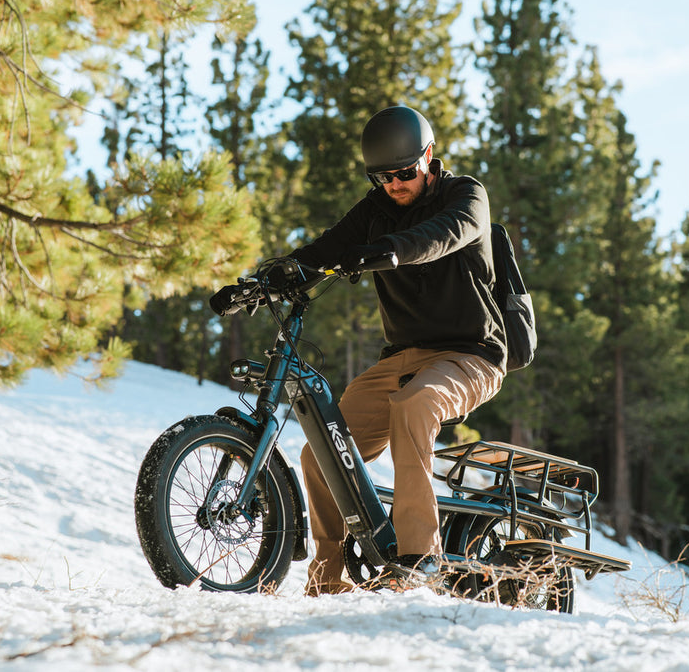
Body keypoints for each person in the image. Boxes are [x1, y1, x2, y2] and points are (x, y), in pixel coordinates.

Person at [216, 106, 507, 595]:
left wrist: (393, 249)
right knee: (320, 449)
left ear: (429, 157)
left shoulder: (466, 195)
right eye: (382, 177)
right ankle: (328, 578)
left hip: (470, 355)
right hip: (402, 358)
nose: (393, 184)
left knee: (414, 407)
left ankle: (418, 562)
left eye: (403, 172)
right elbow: (323, 250)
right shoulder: (375, 210)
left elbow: (444, 234)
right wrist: (263, 282)